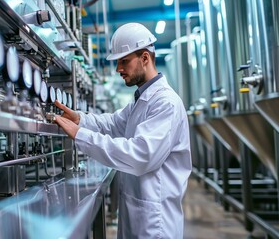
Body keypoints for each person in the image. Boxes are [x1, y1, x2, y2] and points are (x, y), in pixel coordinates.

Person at [54, 22, 192, 239]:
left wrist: (80, 134)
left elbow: (141, 155)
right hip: (138, 212)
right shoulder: (141, 99)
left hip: (155, 221)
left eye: (123, 61)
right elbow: (112, 124)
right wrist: (80, 119)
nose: (118, 69)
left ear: (145, 58)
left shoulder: (166, 103)